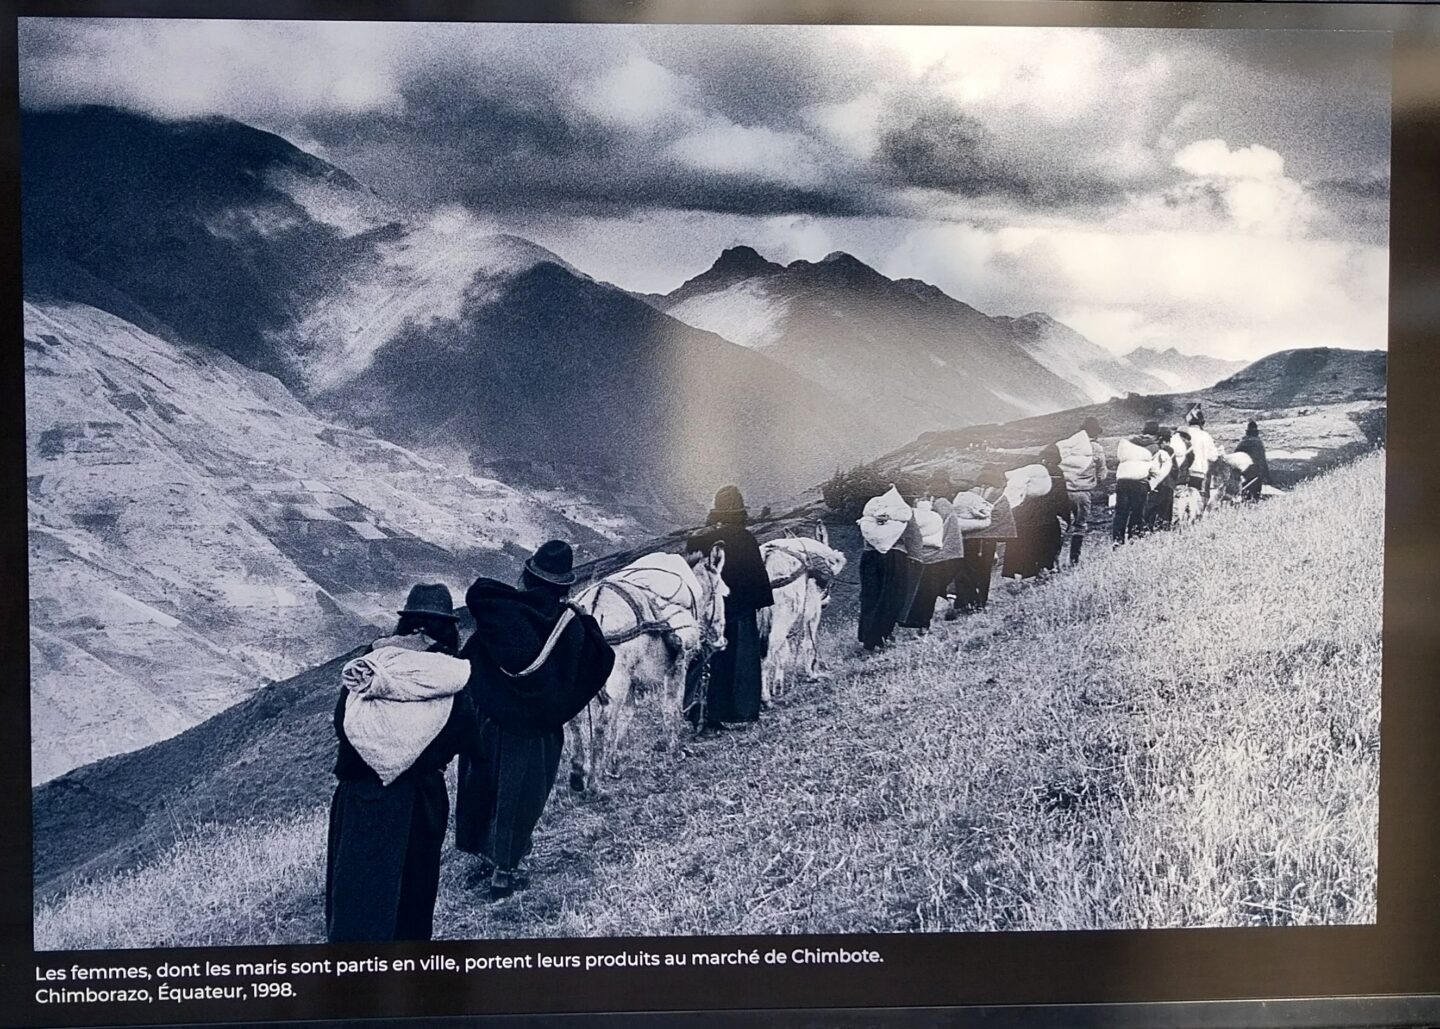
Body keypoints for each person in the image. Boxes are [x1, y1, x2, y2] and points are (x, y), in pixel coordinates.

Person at [456, 541, 614, 900]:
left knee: (483, 788)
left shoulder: (500, 611)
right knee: (521, 798)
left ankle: (484, 852)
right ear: (564, 586)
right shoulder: (572, 627)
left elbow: (474, 646)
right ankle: (505, 870)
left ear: (527, 576)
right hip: (535, 731)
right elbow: (600, 662)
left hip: (488, 721)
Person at [326, 583, 476, 942]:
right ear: (447, 627)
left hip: (361, 794)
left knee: (355, 892)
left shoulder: (370, 664)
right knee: (413, 891)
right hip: (420, 797)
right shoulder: (452, 674)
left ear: (406, 623)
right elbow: (462, 731)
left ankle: (353, 980)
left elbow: (342, 722)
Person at [685, 486, 774, 728]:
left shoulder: (698, 539)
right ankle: (737, 711)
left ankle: (696, 713)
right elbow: (758, 580)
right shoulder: (746, 539)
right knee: (739, 662)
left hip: (706, 614)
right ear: (741, 512)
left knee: (703, 663)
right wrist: (758, 604)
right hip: (740, 614)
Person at [901, 473, 970, 632]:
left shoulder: (938, 505)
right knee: (936, 586)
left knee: (926, 590)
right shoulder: (947, 505)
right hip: (953, 552)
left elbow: (930, 528)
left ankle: (922, 625)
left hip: (938, 553)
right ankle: (955, 601)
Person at [857, 485, 921, 651]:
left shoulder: (871, 513)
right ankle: (883, 636)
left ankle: (867, 638)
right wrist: (916, 558)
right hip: (895, 558)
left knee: (870, 596)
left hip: (869, 557)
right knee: (892, 597)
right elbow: (914, 537)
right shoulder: (903, 513)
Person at [949, 464, 1016, 616]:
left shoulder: (967, 495)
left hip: (966, 538)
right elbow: (1001, 519)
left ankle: (965, 602)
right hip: (986, 541)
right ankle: (979, 603)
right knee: (983, 571)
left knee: (964, 569)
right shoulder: (1000, 497)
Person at [1061, 416, 1107, 565]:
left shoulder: (1070, 446)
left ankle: (1053, 563)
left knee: (1061, 527)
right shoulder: (1097, 449)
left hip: (1063, 491)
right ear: (1096, 433)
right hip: (1082, 492)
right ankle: (1074, 560)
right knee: (1079, 526)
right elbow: (1102, 474)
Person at [1112, 436, 1155, 544]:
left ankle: (1118, 539)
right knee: (1137, 511)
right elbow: (1155, 471)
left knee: (1121, 512)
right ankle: (1134, 537)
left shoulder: (1124, 456)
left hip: (1122, 483)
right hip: (1140, 484)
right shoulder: (1147, 457)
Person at [1182, 403, 1222, 514]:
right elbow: (1213, 457)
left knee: (1180, 499)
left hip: (1180, 473)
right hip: (1198, 472)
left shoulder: (1181, 434)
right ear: (1201, 423)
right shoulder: (1205, 436)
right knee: (1196, 501)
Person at [1234, 420, 1270, 501]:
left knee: (1245, 494)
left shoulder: (1241, 443)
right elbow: (1262, 461)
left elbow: (1236, 457)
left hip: (1244, 473)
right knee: (1255, 496)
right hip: (1256, 474)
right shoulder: (1258, 443)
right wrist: (1267, 477)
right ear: (1256, 433)